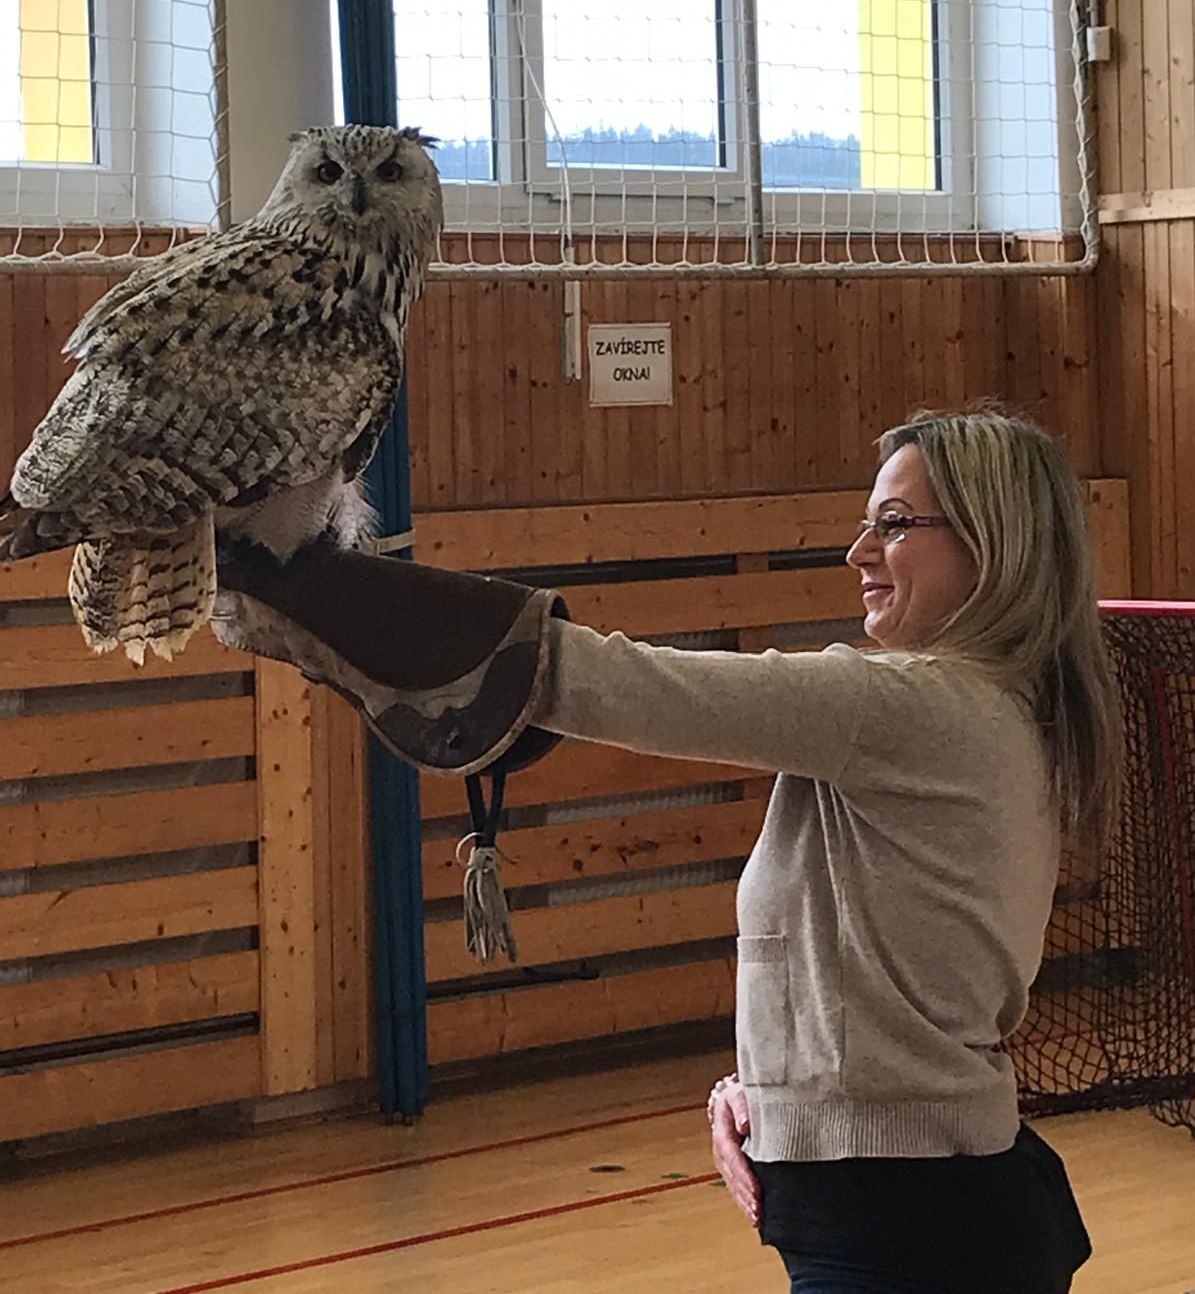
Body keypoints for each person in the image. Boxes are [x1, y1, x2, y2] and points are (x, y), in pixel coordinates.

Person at [217, 406, 1118, 1294]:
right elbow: (887, 978)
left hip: (912, 1227)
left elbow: (616, 683)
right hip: (913, 1198)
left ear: (992, 543)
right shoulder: (984, 709)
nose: (860, 553)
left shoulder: (915, 710)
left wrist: (323, 585)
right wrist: (771, 1089)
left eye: (895, 524)